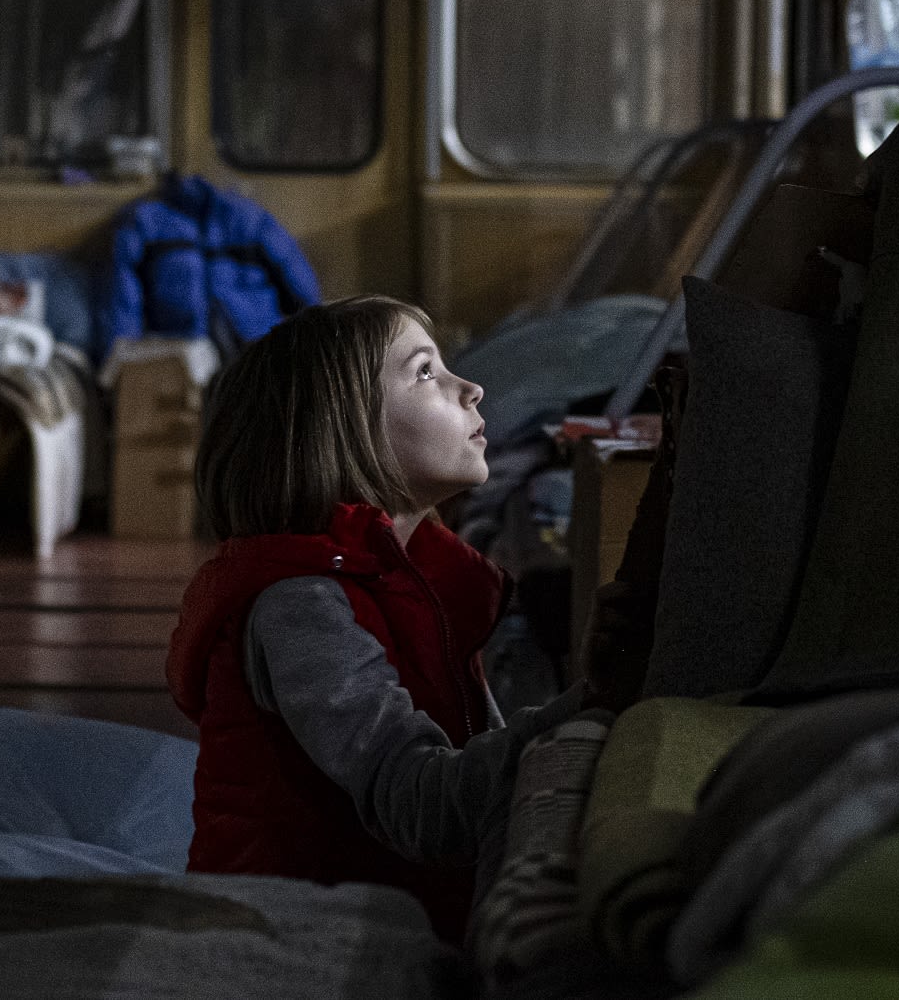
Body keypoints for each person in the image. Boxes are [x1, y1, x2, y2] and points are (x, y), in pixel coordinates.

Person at [165, 296, 587, 943]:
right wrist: (592, 703)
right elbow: (423, 806)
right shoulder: (300, 606)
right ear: (339, 429)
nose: (471, 388)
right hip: (279, 936)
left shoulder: (427, 580)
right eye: (425, 372)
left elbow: (478, 765)